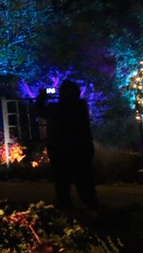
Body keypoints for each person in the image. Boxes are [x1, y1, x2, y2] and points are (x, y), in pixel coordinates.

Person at [40, 79, 99, 210]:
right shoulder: (81, 106)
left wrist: (42, 97)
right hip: (80, 148)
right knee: (83, 179)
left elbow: (39, 112)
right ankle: (91, 205)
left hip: (62, 149)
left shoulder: (57, 109)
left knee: (63, 182)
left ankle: (67, 207)